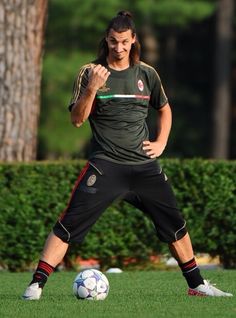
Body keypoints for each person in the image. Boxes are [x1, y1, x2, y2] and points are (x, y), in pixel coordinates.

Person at [23, 11, 233, 300]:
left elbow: (164, 108)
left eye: (123, 41)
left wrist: (160, 143)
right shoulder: (90, 72)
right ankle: (35, 286)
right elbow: (76, 120)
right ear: (106, 40)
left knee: (176, 226)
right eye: (112, 41)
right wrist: (92, 89)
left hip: (145, 166)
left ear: (133, 40)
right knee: (68, 224)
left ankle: (196, 285)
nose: (118, 47)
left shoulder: (147, 73)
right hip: (106, 165)